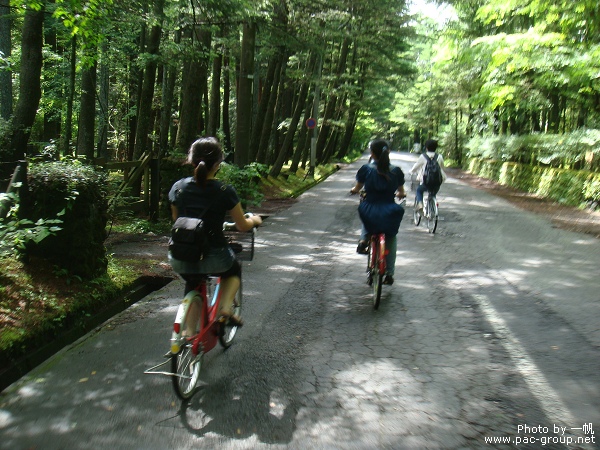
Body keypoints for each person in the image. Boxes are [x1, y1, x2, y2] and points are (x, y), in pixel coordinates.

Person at [168, 137, 262, 329]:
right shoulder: (225, 190)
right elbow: (242, 225)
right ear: (218, 164)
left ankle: (187, 334)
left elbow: (176, 221)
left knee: (193, 281)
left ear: (191, 160)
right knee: (233, 269)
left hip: (180, 256)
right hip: (214, 256)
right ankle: (226, 309)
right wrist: (255, 219)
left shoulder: (178, 188)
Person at [350, 139, 405, 285]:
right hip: (389, 209)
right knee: (391, 236)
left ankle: (364, 239)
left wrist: (354, 191)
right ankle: (389, 273)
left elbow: (357, 187)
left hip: (371, 206)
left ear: (372, 153)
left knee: (367, 215)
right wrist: (400, 194)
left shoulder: (366, 169)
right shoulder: (396, 171)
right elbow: (401, 191)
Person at [409, 139, 447, 211]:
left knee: (419, 190)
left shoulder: (423, 156)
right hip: (437, 182)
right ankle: (433, 207)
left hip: (426, 181)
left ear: (426, 147)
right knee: (433, 193)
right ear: (436, 147)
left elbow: (416, 166)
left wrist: (411, 171)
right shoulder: (440, 157)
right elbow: (442, 168)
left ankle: (420, 203)